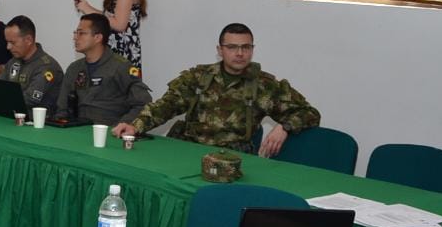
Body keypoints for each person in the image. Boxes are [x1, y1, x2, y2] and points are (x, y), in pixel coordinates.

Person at [113, 23, 321, 156]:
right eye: (232, 47)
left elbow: (310, 113)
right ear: (220, 50)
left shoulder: (264, 85)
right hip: (190, 152)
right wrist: (135, 126)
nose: (239, 53)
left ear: (252, 49)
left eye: (246, 47)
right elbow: (165, 106)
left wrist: (284, 127)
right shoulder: (198, 77)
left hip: (232, 160)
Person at [57, 14, 152, 126]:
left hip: (109, 130)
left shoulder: (121, 67)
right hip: (77, 129)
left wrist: (123, 125)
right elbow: (62, 108)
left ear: (98, 38)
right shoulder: (74, 68)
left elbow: (143, 103)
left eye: (81, 33)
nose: (75, 38)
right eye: (76, 33)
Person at [0, 16, 63, 116]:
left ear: (28, 40)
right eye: (7, 42)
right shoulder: (13, 62)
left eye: (12, 42)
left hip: (38, 122)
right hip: (12, 116)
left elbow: (29, 100)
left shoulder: (47, 67)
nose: (8, 47)